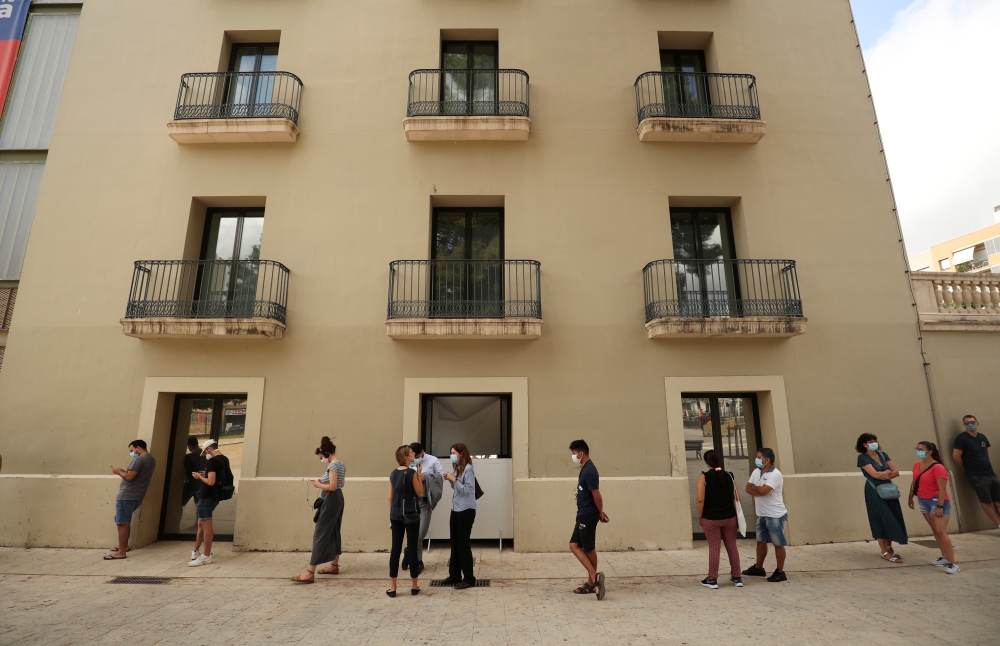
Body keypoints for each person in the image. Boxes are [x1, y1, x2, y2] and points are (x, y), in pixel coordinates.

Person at [292, 437, 346, 583]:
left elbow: (333, 487)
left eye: (321, 457)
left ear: (326, 453)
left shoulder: (333, 466)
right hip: (338, 498)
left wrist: (318, 485)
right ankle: (334, 565)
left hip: (331, 498)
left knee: (320, 533)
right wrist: (323, 482)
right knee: (334, 530)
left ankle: (310, 571)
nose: (321, 459)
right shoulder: (341, 464)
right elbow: (341, 484)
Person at [855, 433, 908, 562]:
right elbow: (874, 475)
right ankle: (884, 551)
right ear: (864, 444)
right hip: (874, 490)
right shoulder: (863, 458)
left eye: (875, 440)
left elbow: (896, 471)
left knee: (892, 516)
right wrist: (887, 473)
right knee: (880, 517)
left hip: (888, 490)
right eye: (870, 441)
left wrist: (884, 474)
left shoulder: (883, 455)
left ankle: (890, 547)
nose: (874, 442)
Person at [909, 441, 960, 574]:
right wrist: (911, 497)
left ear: (930, 451)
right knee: (935, 530)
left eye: (921, 449)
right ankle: (944, 557)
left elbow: (942, 489)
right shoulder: (917, 465)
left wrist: (939, 506)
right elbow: (914, 482)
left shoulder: (938, 467)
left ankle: (952, 563)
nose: (918, 451)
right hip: (923, 500)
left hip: (936, 501)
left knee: (941, 531)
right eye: (917, 448)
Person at [568, 439, 610, 600]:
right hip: (582, 513)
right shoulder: (585, 469)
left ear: (581, 453)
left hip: (588, 514)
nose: (573, 457)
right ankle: (593, 578)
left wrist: (600, 512)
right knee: (574, 545)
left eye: (574, 454)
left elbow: (597, 496)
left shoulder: (590, 470)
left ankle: (593, 580)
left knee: (588, 548)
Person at [696, 450, 742, 589]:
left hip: (711, 518)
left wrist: (700, 516)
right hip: (730, 518)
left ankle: (712, 579)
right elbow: (737, 497)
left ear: (706, 462)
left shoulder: (704, 477)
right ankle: (737, 577)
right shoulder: (729, 475)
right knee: (732, 546)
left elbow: (700, 499)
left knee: (714, 548)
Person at [743, 448, 789, 582]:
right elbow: (748, 488)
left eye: (759, 457)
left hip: (775, 514)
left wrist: (757, 489)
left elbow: (763, 491)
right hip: (761, 513)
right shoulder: (756, 472)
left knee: (778, 543)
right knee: (761, 541)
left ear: (767, 460)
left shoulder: (775, 474)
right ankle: (758, 568)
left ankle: (780, 571)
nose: (757, 459)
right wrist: (760, 489)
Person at [105, 440, 156, 560]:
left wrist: (118, 471)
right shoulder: (151, 459)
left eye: (132, 450)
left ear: (138, 448)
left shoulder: (139, 460)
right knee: (119, 519)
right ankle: (124, 546)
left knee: (123, 522)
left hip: (127, 495)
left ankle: (121, 551)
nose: (131, 453)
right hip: (137, 495)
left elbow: (129, 477)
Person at [440, 443, 478, 590]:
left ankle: (469, 578)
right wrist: (450, 479)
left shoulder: (468, 469)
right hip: (455, 508)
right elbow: (456, 489)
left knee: (463, 544)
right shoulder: (458, 468)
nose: (452, 455)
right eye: (451, 452)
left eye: (454, 453)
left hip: (466, 509)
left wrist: (454, 480)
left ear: (461, 454)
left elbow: (468, 491)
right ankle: (454, 575)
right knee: (454, 542)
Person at [952, 415, 1000, 530]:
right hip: (977, 476)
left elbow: (985, 453)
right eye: (967, 422)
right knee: (986, 501)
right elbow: (956, 456)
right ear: (964, 425)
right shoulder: (962, 438)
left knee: (997, 501)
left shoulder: (982, 437)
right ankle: (998, 524)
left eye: (972, 422)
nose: (970, 424)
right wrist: (966, 468)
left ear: (977, 423)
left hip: (990, 474)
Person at [387, 445, 423, 597]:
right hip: (411, 515)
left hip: (395, 516)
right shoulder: (412, 473)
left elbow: (390, 497)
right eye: (411, 453)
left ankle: (393, 587)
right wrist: (419, 474)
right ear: (406, 458)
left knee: (395, 550)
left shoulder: (393, 474)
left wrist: (391, 515)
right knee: (412, 548)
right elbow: (420, 493)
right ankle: (414, 586)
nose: (414, 454)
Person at [404, 441, 444, 576]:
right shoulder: (408, 461)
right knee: (413, 531)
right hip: (411, 500)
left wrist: (425, 478)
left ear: (422, 452)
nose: (415, 458)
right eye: (412, 456)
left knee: (421, 533)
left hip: (425, 500)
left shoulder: (433, 460)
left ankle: (408, 551)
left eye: (417, 455)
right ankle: (418, 561)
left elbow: (440, 477)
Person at [188, 439, 229, 567]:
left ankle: (206, 555)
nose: (206, 453)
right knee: (202, 524)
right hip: (214, 496)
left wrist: (199, 477)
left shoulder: (212, 462)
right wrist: (204, 474)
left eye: (206, 451)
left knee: (206, 526)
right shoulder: (224, 459)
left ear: (210, 449)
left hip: (207, 497)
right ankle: (196, 551)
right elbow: (216, 477)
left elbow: (211, 482)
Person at [182, 436, 206, 508]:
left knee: (179, 502)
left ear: (189, 445)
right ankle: (200, 519)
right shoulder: (206, 455)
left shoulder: (189, 457)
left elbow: (184, 469)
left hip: (191, 483)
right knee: (200, 505)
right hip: (202, 482)